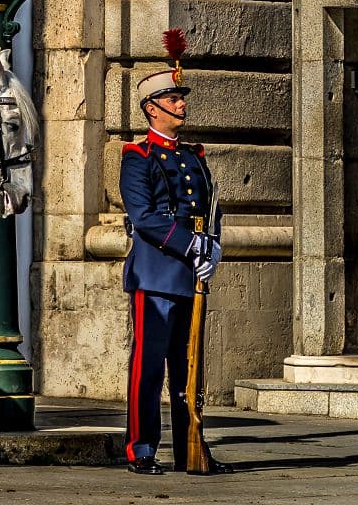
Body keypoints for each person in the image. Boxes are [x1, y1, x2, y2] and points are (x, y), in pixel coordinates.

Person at [119, 45, 232, 477]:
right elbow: (143, 217)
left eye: (181, 98)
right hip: (156, 275)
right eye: (172, 99)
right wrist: (191, 245)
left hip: (191, 277)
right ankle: (141, 449)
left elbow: (213, 207)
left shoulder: (193, 156)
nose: (181, 104)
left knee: (189, 372)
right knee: (148, 370)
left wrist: (213, 245)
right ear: (152, 108)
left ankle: (191, 449)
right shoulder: (138, 156)